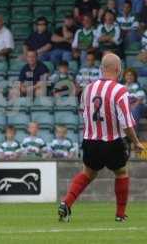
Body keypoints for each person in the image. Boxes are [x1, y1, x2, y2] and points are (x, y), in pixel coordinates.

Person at [58, 53, 145, 223]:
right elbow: (126, 122)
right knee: (121, 173)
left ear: (101, 69)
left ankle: (66, 203)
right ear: (118, 69)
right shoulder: (120, 90)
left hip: (90, 140)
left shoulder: (88, 89)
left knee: (88, 173)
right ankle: (120, 215)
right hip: (112, 141)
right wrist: (135, 142)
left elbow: (83, 114)